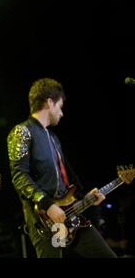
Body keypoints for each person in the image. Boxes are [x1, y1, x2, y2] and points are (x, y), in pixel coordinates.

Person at [7, 78, 116, 258]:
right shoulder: (21, 131)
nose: (62, 113)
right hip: (44, 220)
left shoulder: (53, 138)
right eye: (60, 106)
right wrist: (47, 205)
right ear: (50, 102)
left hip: (71, 217)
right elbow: (19, 176)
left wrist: (85, 198)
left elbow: (66, 182)